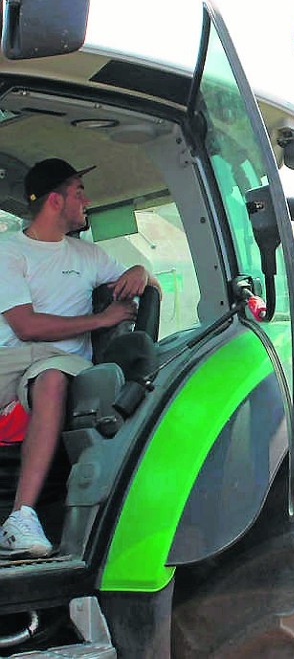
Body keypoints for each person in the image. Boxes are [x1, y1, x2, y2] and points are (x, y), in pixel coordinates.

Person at [0, 158, 159, 558]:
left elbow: (145, 281)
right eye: (78, 192)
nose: (85, 200)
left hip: (57, 361)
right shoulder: (8, 252)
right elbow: (25, 325)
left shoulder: (88, 256)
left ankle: (21, 517)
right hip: (12, 356)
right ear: (55, 200)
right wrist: (101, 318)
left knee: (52, 378)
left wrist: (142, 269)